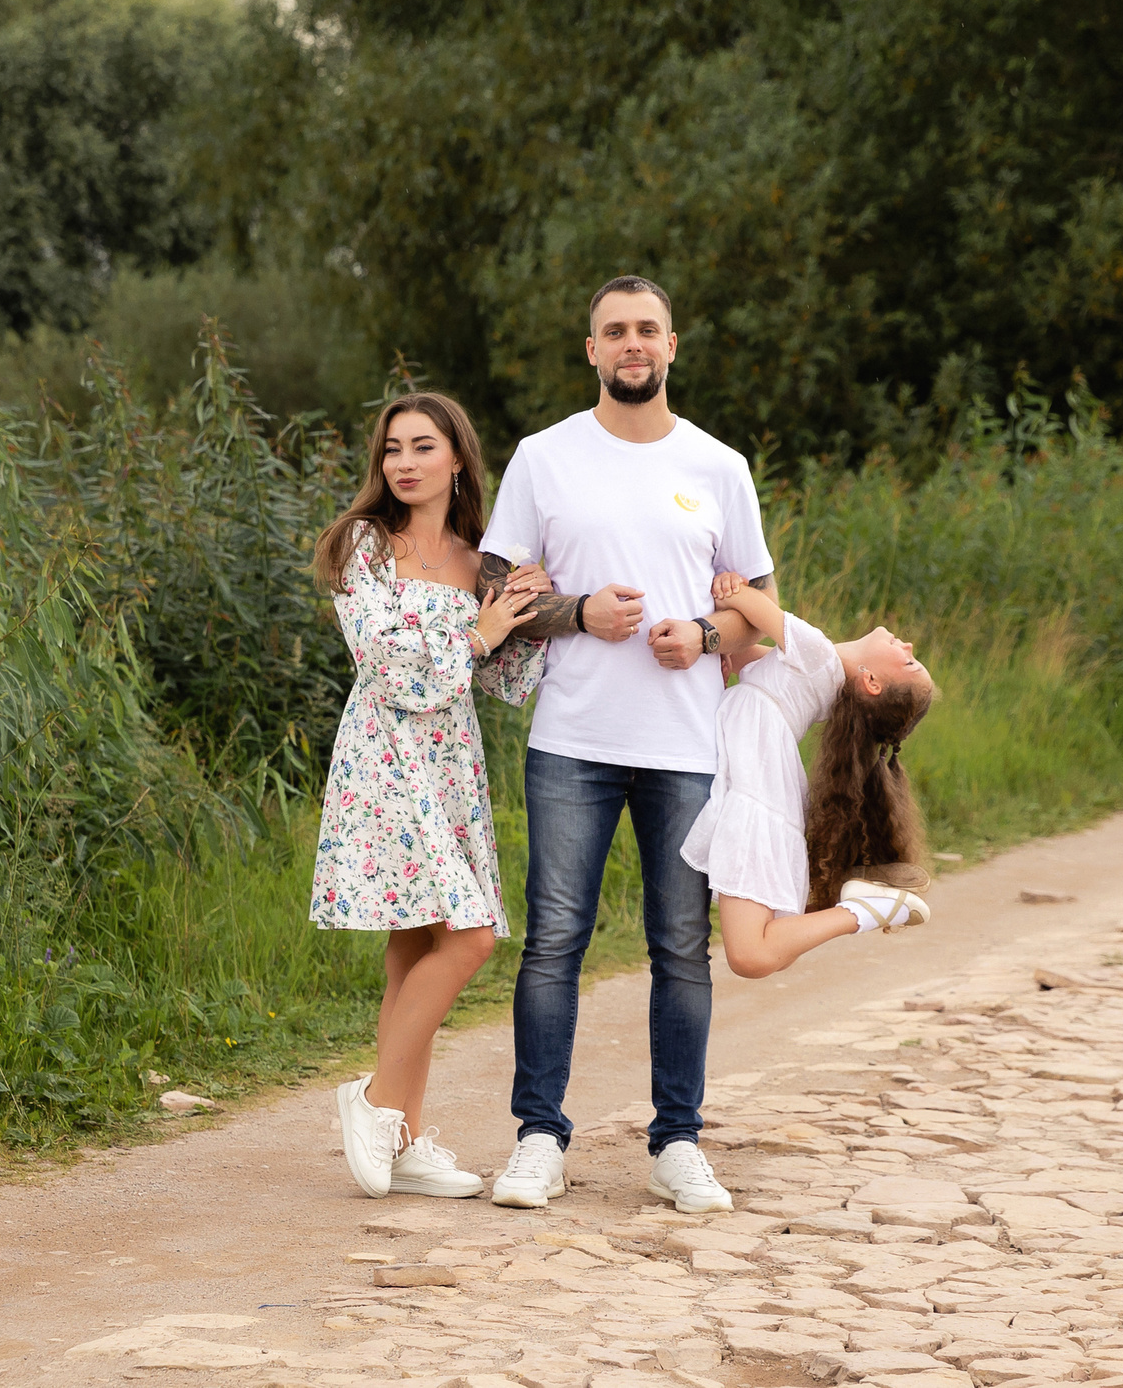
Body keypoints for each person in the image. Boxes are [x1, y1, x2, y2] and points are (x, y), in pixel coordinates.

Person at [475, 275, 775, 1215]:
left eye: (648, 329)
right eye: (615, 331)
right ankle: (538, 1138)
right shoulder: (544, 457)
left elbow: (758, 612)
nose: (632, 343)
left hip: (687, 745)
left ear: (672, 346)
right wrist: (578, 612)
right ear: (592, 351)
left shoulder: (720, 465)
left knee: (682, 946)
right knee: (555, 940)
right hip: (573, 740)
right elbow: (493, 586)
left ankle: (677, 1141)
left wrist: (706, 633)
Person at [312, 391, 551, 1200]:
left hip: (449, 760)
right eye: (391, 449)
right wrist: (479, 634)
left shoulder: (479, 558)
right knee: (471, 934)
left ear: (457, 458)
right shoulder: (364, 546)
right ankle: (375, 1100)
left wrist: (532, 609)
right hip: (386, 754)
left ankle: (405, 1139)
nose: (404, 462)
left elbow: (512, 679)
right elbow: (386, 662)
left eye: (422, 446)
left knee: (418, 942)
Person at [679, 571, 938, 980]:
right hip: (763, 773)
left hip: (758, 780)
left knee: (751, 954)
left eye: (907, 660)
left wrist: (731, 584)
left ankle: (859, 913)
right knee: (758, 950)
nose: (906, 644)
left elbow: (751, 604)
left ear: (870, 681)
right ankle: (859, 910)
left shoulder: (815, 653)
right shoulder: (819, 674)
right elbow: (740, 655)